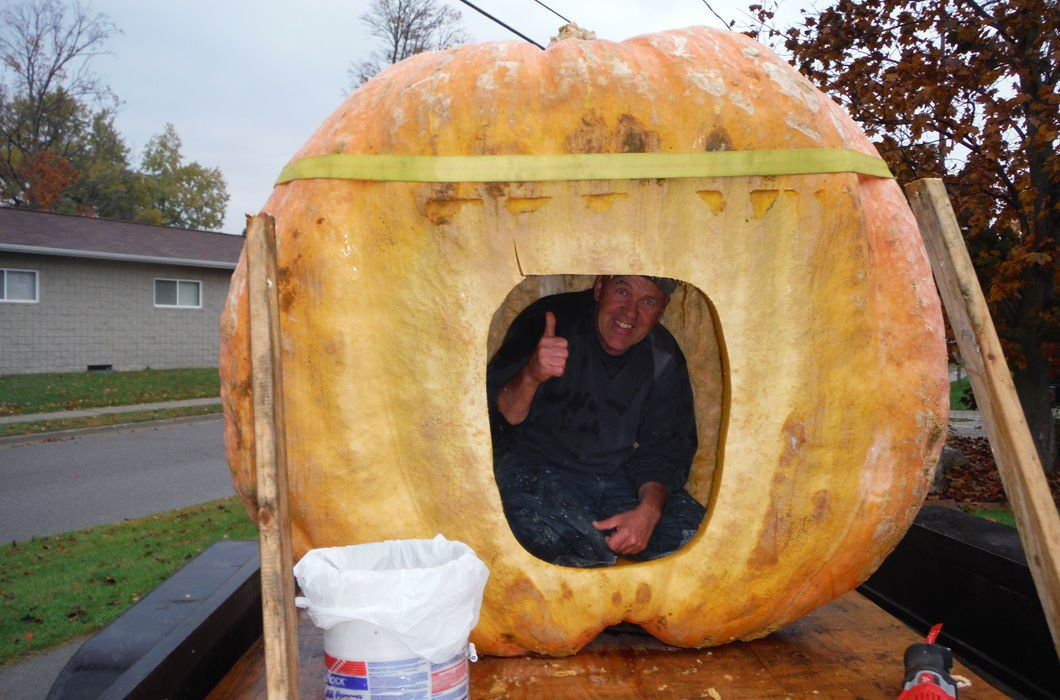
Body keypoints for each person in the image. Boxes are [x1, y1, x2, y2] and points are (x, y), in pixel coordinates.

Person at [487, 274, 705, 568]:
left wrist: (648, 511)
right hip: (536, 470)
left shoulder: (662, 354)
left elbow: (667, 448)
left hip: (617, 477)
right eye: (622, 290)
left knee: (703, 542)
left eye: (648, 301)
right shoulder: (548, 321)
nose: (629, 312)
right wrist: (531, 374)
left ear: (661, 311)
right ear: (600, 287)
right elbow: (498, 421)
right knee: (557, 557)